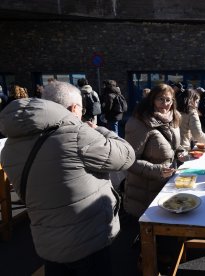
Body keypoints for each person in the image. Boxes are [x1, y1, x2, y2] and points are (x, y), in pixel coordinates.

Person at [0, 81, 135, 276]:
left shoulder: (12, 144)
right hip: (87, 240)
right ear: (74, 108)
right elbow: (126, 156)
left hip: (47, 243)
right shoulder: (78, 134)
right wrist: (99, 130)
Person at [123, 83, 186, 218]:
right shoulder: (139, 123)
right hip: (143, 193)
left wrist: (181, 152)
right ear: (152, 100)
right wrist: (158, 171)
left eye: (168, 100)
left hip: (165, 187)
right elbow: (129, 161)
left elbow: (173, 146)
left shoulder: (174, 118)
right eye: (160, 99)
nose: (165, 104)